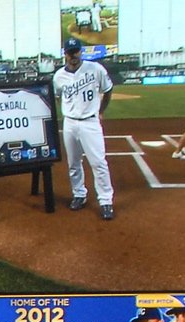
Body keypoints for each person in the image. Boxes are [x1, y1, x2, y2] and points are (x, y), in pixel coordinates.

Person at [54, 37, 115, 220]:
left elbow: (108, 89)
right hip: (70, 123)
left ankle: (106, 201)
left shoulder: (95, 69)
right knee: (73, 163)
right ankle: (79, 194)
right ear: (65, 54)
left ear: (81, 51)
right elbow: (58, 96)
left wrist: (101, 110)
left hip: (90, 121)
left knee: (98, 162)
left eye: (77, 51)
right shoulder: (58, 77)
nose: (74, 55)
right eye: (70, 52)